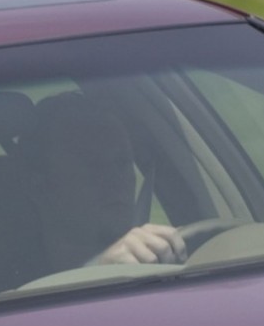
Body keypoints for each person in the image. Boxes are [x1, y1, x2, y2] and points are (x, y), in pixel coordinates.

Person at [30, 92, 187, 271]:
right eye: (93, 167)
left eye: (122, 163)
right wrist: (100, 273)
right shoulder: (5, 288)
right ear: (40, 186)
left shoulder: (161, 254)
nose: (116, 181)